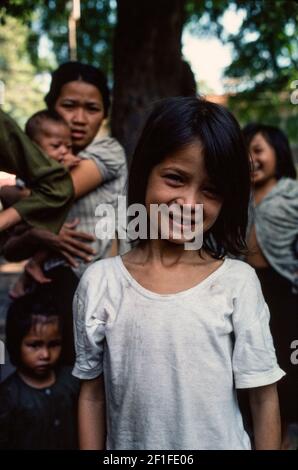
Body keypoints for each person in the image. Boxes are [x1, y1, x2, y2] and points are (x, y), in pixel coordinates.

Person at [72, 97, 285, 450]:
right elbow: (92, 395)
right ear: (144, 174)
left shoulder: (236, 283)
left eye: (211, 191)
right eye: (175, 178)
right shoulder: (100, 283)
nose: (188, 203)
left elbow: (263, 398)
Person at [243, 123, 298, 448]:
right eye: (245, 152)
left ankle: (284, 437)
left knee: (287, 369)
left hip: (285, 294)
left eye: (258, 150)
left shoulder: (292, 193)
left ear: (277, 152)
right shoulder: (236, 196)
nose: (251, 159)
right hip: (249, 290)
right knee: (254, 366)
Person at [0, 286, 80, 449]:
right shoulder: (8, 395)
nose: (45, 354)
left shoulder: (71, 381)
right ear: (16, 343)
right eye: (34, 345)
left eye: (53, 344)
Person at [0, 108, 74, 236]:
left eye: (68, 147)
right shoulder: (29, 174)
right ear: (33, 148)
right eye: (56, 146)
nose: (64, 151)